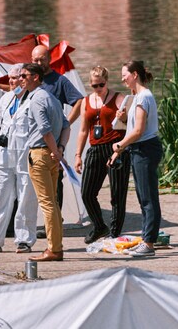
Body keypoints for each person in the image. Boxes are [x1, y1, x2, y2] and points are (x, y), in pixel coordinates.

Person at [0, 65, 40, 254]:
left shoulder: (33, 99)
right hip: (5, 155)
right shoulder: (6, 98)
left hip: (24, 153)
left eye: (15, 78)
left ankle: (24, 239)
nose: (12, 82)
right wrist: (1, 134)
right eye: (10, 79)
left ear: (23, 79)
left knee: (26, 197)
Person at [108, 60, 162, 258]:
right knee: (143, 196)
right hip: (139, 149)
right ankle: (147, 239)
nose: (122, 78)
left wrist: (120, 146)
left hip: (145, 148)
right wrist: (122, 119)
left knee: (148, 197)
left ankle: (148, 243)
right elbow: (132, 127)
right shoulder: (136, 97)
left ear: (135, 75)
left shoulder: (143, 97)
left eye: (125, 74)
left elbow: (138, 131)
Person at [30, 44, 84, 232]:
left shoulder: (58, 81)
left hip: (53, 141)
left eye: (41, 59)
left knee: (55, 182)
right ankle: (38, 222)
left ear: (50, 59)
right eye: (35, 60)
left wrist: (66, 123)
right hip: (33, 142)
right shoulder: (30, 80)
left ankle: (54, 223)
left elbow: (79, 100)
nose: (38, 63)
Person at [18, 62, 68, 262]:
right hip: (51, 155)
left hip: (40, 154)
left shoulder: (37, 99)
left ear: (35, 77)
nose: (21, 79)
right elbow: (66, 126)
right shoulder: (52, 99)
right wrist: (60, 150)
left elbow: (44, 129)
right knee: (53, 203)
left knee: (47, 204)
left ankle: (53, 249)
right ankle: (56, 246)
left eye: (24, 75)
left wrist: (56, 151)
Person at [74, 66, 130, 244]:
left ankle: (114, 233)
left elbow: (131, 123)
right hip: (95, 148)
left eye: (101, 85)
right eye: (94, 85)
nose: (98, 89)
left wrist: (124, 117)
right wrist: (78, 155)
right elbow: (83, 130)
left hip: (115, 148)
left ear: (107, 82)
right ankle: (99, 225)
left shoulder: (118, 97)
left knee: (117, 194)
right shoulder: (86, 101)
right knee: (87, 193)